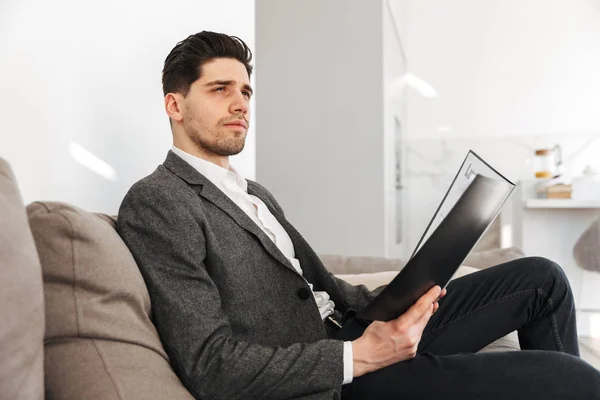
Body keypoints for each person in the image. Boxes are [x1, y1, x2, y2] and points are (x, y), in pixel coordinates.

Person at [117, 31, 600, 400]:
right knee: (572, 377)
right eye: (220, 89)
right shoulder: (158, 201)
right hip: (333, 377)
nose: (240, 102)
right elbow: (210, 365)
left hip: (358, 328)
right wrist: (359, 355)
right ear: (175, 105)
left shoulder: (253, 192)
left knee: (543, 279)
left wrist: (406, 296)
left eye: (245, 91)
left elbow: (322, 287)